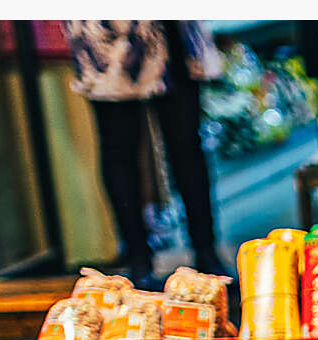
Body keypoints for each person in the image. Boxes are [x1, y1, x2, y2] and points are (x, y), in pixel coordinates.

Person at [65, 21, 229, 283]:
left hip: (171, 28)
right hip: (106, 31)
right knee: (119, 145)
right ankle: (138, 262)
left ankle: (206, 252)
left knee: (187, 141)